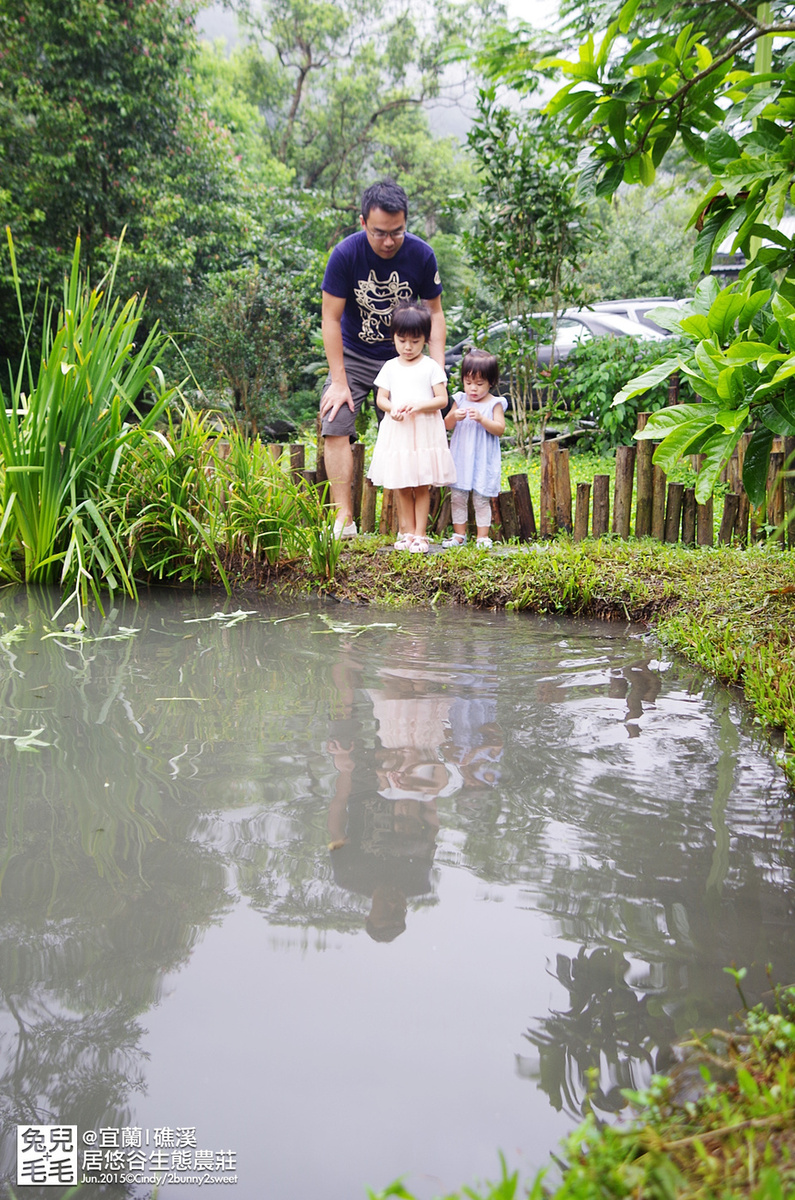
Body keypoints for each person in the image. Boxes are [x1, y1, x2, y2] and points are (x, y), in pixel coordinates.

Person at [319, 179, 447, 538]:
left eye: (397, 232)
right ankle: (344, 519)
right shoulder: (345, 255)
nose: (389, 241)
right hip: (354, 355)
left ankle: (410, 530)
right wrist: (339, 380)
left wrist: (435, 368)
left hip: (406, 358)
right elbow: (330, 318)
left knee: (414, 432)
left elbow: (435, 314)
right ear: (363, 223)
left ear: (406, 222)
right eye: (379, 233)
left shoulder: (421, 254)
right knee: (335, 420)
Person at [366, 302, 456, 553]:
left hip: (424, 431)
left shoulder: (430, 367)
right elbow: (381, 398)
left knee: (420, 483)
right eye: (402, 340)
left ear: (425, 339)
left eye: (415, 341)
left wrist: (419, 405)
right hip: (399, 432)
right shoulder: (390, 367)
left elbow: (442, 399)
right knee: (402, 483)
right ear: (393, 336)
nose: (408, 347)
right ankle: (406, 532)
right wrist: (391, 408)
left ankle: (420, 535)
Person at [442, 348, 507, 549]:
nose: (473, 389)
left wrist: (482, 419)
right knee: (458, 497)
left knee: (481, 498)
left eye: (479, 384)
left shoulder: (494, 403)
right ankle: (459, 535)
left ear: (490, 382)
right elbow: (446, 424)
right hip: (461, 457)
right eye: (468, 383)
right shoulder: (460, 400)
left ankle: (482, 536)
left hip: (482, 458)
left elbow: (499, 429)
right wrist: (454, 416)